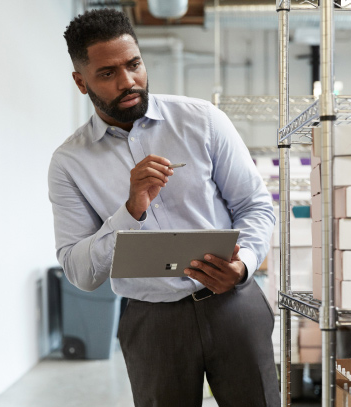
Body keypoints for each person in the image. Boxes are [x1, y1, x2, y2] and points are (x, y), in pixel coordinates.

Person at [49, 8, 279, 407]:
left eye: (134, 64)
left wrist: (243, 266)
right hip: (151, 323)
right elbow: (79, 271)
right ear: (80, 82)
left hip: (233, 304)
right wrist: (131, 210)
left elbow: (256, 205)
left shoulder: (202, 120)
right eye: (107, 74)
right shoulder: (69, 163)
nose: (128, 81)